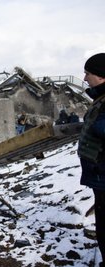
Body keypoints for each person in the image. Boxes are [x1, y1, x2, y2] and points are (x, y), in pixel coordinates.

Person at [77, 53, 105, 267]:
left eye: (88, 73)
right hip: (99, 173)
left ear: (102, 77)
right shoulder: (100, 98)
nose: (85, 78)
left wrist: (97, 125)